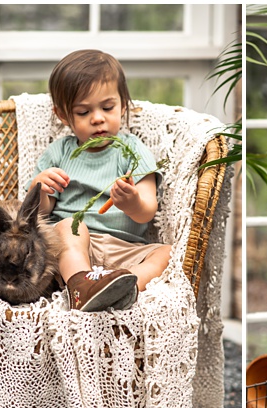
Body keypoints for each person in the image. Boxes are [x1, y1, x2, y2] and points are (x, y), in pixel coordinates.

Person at [30, 49, 171, 312]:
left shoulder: (132, 150)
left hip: (125, 250)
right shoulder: (60, 152)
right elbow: (40, 212)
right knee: (69, 226)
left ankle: (126, 286)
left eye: (108, 108)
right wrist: (40, 187)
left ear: (123, 106)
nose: (97, 118)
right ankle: (82, 286)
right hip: (75, 250)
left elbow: (146, 212)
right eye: (83, 112)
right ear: (63, 116)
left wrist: (132, 202)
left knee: (167, 253)